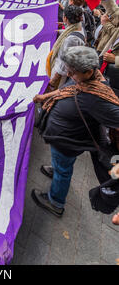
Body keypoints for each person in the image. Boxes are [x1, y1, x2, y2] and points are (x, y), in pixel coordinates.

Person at [32, 46, 119, 217]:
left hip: (68, 142)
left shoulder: (99, 97)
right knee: (62, 165)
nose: (69, 75)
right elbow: (69, 89)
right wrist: (45, 97)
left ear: (87, 72)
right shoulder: (87, 80)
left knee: (63, 168)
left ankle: (55, 202)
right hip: (65, 140)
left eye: (72, 73)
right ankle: (57, 171)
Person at [47, 5, 85, 89]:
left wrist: (54, 80)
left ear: (65, 18)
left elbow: (64, 62)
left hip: (60, 76)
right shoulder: (78, 27)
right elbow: (69, 32)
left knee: (54, 94)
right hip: (62, 72)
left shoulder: (71, 40)